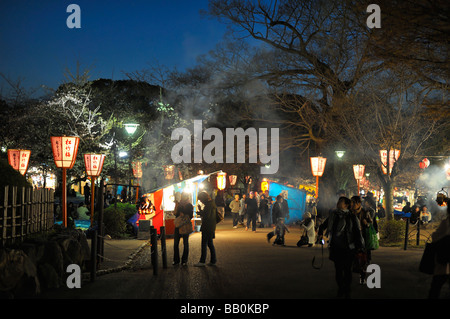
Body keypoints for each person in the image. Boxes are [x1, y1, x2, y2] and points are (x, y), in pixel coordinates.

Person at [318, 197, 365, 298]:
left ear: (346, 205)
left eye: (341, 202)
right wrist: (320, 233)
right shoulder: (333, 215)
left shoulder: (352, 217)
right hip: (335, 247)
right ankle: (341, 288)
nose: (338, 203)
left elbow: (357, 232)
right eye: (338, 201)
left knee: (347, 269)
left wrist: (360, 247)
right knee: (338, 269)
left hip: (348, 248)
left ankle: (347, 289)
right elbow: (323, 225)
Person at [351, 196, 377, 285]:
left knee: (362, 258)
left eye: (354, 202)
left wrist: (367, 223)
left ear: (359, 203)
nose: (352, 204)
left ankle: (362, 275)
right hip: (351, 237)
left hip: (362, 238)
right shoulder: (349, 213)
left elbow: (371, 223)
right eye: (351, 202)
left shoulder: (365, 212)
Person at [428, 201, 450, 299]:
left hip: (444, 259)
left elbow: (436, 236)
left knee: (436, 285)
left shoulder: (447, 222)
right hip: (445, 258)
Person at [195, 191, 217, 267]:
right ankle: (213, 260)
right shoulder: (212, 203)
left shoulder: (208, 205)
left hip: (207, 227)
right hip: (211, 226)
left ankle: (202, 261)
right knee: (210, 244)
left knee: (204, 244)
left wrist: (200, 211)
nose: (201, 201)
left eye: (201, 200)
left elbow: (206, 216)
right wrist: (201, 211)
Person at [173, 192, 194, 266]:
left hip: (185, 226)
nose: (182, 197)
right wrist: (176, 205)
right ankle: (176, 260)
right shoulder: (179, 204)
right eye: (182, 196)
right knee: (176, 243)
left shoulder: (189, 205)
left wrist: (184, 215)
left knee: (185, 243)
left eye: (184, 196)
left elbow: (191, 216)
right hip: (178, 226)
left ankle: (184, 260)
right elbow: (175, 213)